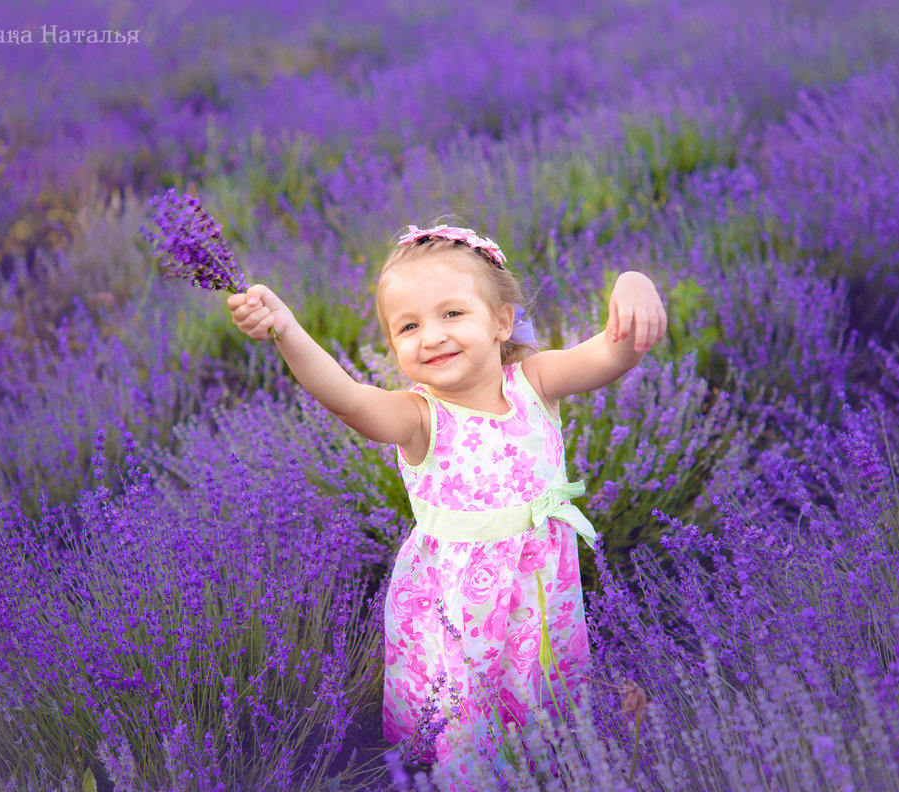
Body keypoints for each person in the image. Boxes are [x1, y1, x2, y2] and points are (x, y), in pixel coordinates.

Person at [227, 223, 666, 770]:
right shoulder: (419, 417)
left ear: (502, 321)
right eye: (408, 326)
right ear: (393, 347)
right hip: (459, 606)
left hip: (538, 586)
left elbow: (613, 354)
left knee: (540, 691)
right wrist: (286, 329)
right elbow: (347, 398)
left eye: (452, 314)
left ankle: (546, 763)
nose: (431, 335)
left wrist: (633, 282)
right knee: (466, 715)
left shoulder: (534, 382)